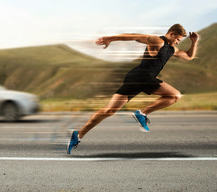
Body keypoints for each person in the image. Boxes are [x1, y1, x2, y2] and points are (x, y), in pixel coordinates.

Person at [67, 24, 199, 154]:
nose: (178, 42)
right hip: (143, 77)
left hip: (135, 78)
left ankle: (78, 135)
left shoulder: (172, 49)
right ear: (171, 34)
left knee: (109, 110)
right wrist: (110, 38)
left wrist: (194, 42)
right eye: (177, 39)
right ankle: (142, 113)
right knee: (175, 95)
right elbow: (134, 36)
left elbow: (189, 56)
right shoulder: (157, 41)